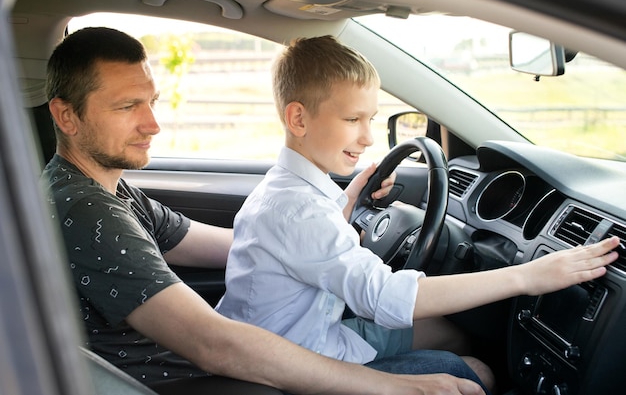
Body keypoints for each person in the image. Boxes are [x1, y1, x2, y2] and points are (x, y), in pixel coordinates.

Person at [41, 26, 489, 395]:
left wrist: (338, 207)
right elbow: (213, 344)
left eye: (152, 102)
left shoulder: (109, 193)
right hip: (195, 382)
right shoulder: (84, 212)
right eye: (127, 107)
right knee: (469, 372)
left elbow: (250, 244)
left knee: (444, 331)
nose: (153, 124)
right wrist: (394, 388)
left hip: (212, 368)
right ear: (66, 116)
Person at [215, 35, 620, 393]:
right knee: (478, 372)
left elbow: (316, 248)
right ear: (298, 118)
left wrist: (351, 201)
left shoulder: (286, 190)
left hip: (309, 333)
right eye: (352, 119)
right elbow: (386, 297)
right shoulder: (301, 210)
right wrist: (526, 276)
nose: (369, 136)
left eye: (370, 119)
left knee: (447, 331)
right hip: (302, 364)